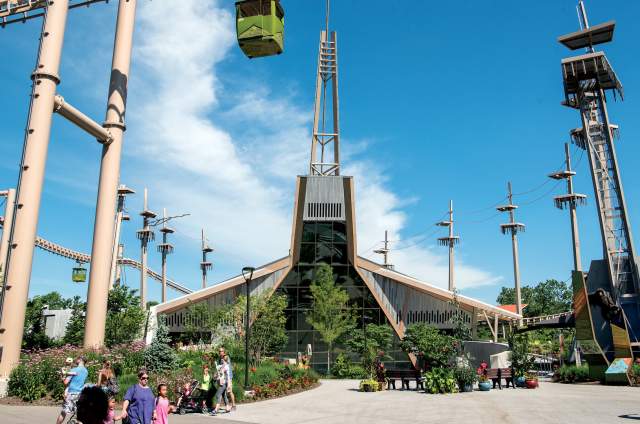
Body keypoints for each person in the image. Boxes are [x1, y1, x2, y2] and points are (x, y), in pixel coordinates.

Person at [56, 356, 89, 424]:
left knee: (64, 412)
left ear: (80, 360)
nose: (75, 360)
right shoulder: (86, 371)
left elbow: (66, 382)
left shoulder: (74, 370)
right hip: (80, 394)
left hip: (71, 393)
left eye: (77, 359)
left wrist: (62, 377)